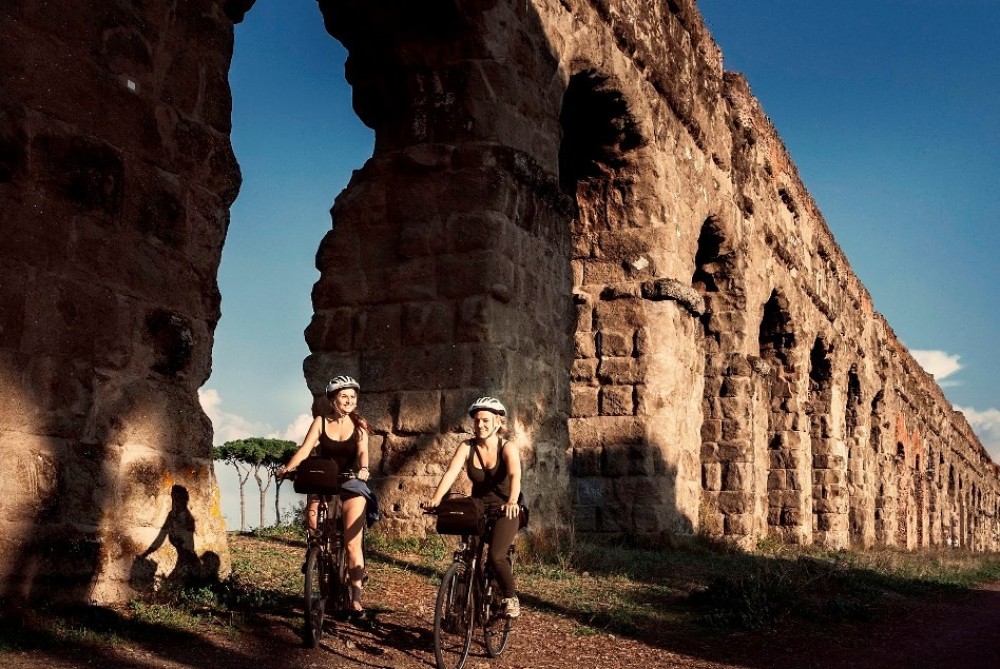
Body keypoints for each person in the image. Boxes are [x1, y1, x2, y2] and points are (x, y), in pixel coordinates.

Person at [278, 375, 372, 617]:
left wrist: (363, 469)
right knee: (312, 522)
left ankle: (356, 598)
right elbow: (305, 449)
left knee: (352, 543)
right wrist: (288, 468)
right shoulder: (320, 422)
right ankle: (316, 557)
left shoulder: (360, 426)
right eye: (344, 396)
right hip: (325, 480)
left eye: (353, 396)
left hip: (351, 482)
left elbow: (363, 455)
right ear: (333, 400)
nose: (349, 400)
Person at [425, 396, 523, 618]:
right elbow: (451, 472)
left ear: (498, 422)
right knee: (469, 555)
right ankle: (465, 607)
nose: (480, 425)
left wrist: (512, 501)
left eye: (486, 421)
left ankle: (510, 597)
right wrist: (436, 498)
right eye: (477, 421)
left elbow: (515, 475)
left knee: (496, 556)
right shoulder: (467, 446)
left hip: (504, 508)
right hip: (478, 507)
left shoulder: (507, 447)